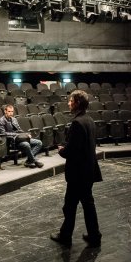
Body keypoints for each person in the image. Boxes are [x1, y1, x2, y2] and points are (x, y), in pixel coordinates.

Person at [50, 90, 102, 248]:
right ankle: (94, 236)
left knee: (70, 205)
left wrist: (61, 150)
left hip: (78, 173)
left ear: (77, 103)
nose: (68, 103)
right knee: (87, 203)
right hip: (88, 169)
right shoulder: (90, 120)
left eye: (71, 101)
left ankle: (66, 236)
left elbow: (72, 151)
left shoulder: (77, 123)